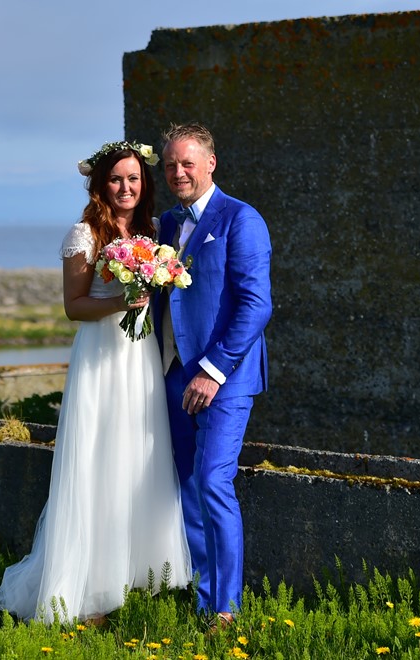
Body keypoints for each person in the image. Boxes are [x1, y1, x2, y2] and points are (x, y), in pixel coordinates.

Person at [0, 141, 191, 625]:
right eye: (116, 179)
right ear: (100, 185)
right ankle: (82, 592)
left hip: (140, 360)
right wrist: (123, 302)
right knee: (97, 461)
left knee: (137, 458)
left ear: (143, 184)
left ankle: (132, 578)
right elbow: (74, 306)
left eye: (134, 179)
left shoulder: (152, 230)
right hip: (102, 361)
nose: (126, 187)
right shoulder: (84, 234)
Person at [154, 122, 272, 631]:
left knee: (212, 480)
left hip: (223, 378)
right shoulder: (165, 225)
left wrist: (213, 369)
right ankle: (203, 595)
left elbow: (255, 305)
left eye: (187, 163)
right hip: (174, 374)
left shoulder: (240, 219)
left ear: (210, 164)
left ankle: (225, 609)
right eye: (170, 165)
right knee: (184, 482)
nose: (178, 172)